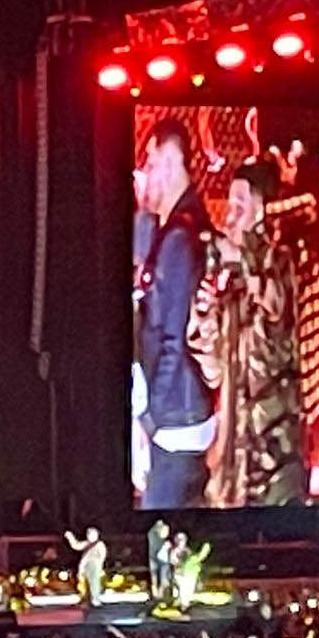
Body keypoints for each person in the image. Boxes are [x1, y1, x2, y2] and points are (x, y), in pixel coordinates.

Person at [189, 161, 305, 506]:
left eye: (239, 207)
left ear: (262, 211)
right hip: (232, 454)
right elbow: (213, 370)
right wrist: (205, 316)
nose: (229, 218)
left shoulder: (281, 264)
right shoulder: (229, 277)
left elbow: (276, 311)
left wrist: (241, 259)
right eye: (229, 206)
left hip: (273, 449)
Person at [136, 118, 214, 509]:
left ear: (169, 162)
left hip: (177, 420)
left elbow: (174, 338)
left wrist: (152, 417)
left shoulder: (180, 240)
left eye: (151, 164)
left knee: (159, 523)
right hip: (177, 414)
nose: (146, 175)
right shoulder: (172, 232)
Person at [63, 526, 107, 607]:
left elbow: (102, 556)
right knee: (84, 583)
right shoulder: (86, 543)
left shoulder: (99, 544)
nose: (90, 536)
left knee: (94, 583)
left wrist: (100, 565)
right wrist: (70, 537)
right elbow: (76, 546)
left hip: (94, 565)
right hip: (85, 565)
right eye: (89, 534)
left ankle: (95, 599)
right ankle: (85, 598)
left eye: (92, 534)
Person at [169, 531, 211, 610]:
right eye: (180, 540)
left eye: (183, 540)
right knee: (183, 589)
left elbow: (194, 560)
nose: (182, 542)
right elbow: (173, 562)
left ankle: (183, 603)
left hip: (187, 573)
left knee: (186, 589)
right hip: (180, 574)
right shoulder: (174, 551)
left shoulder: (187, 550)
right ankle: (182, 603)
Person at [147, 518, 172, 603]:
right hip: (156, 561)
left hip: (162, 562)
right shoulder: (154, 537)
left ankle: (159, 596)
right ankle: (156, 596)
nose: (167, 533)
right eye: (166, 531)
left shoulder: (163, 541)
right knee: (156, 579)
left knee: (163, 579)